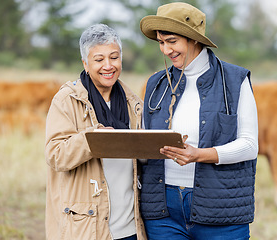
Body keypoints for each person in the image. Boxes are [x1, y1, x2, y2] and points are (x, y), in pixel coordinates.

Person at [139, 2, 258, 240]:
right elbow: (145, 143)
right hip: (162, 213)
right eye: (161, 43)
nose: (165, 50)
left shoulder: (236, 80)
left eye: (172, 41)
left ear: (193, 39)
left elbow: (250, 146)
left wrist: (200, 155)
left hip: (221, 211)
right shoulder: (156, 84)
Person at [45, 24, 146, 240]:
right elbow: (55, 155)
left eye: (114, 57)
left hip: (131, 227)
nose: (108, 66)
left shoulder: (134, 103)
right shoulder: (66, 101)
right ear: (85, 63)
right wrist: (93, 139)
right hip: (87, 228)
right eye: (99, 60)